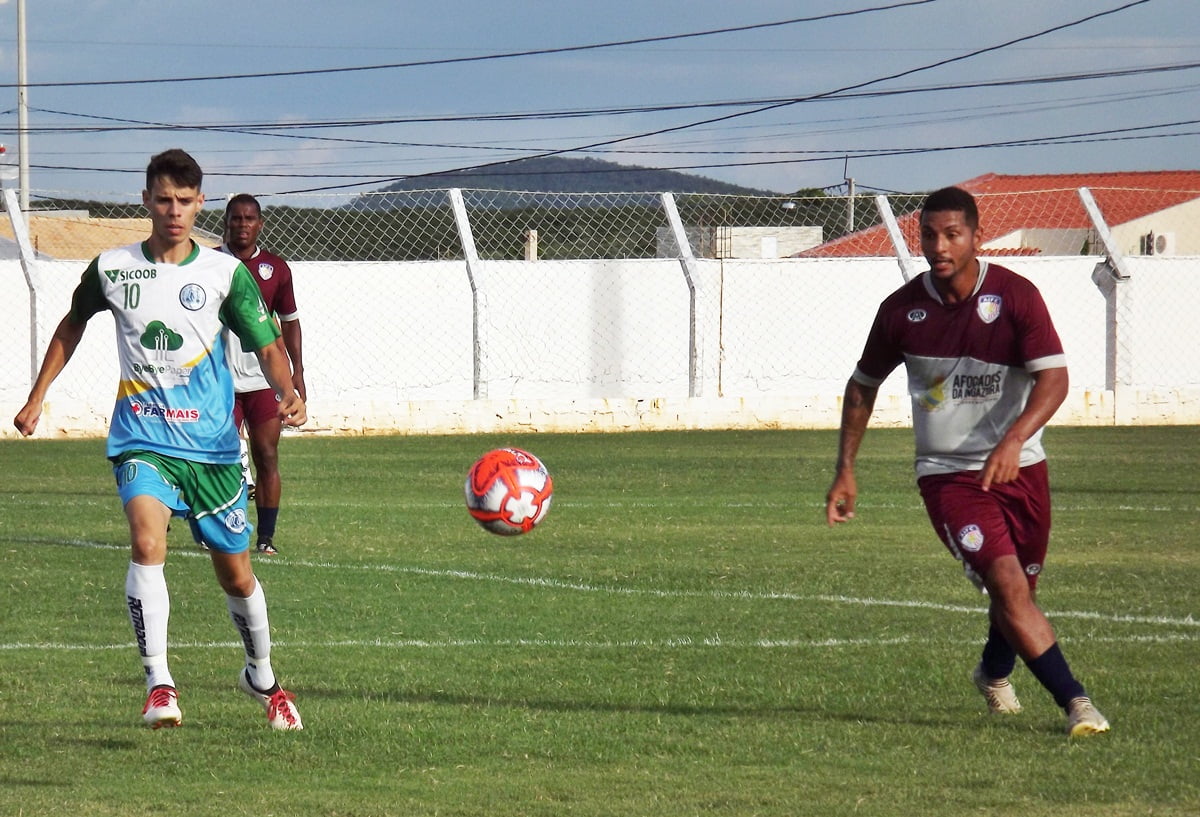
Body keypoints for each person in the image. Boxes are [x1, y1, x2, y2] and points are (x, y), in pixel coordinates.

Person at [13, 149, 304, 731]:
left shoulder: (225, 274)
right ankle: (159, 684)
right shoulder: (114, 268)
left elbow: (267, 344)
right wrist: (38, 394)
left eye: (186, 201)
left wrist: (288, 388)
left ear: (201, 204)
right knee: (148, 543)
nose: (175, 211)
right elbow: (73, 324)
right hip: (141, 437)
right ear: (146, 200)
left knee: (237, 575)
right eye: (164, 200)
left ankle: (262, 676)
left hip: (215, 447)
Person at [824, 186, 1109, 738]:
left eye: (952, 233)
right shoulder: (901, 311)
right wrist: (846, 469)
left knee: (1022, 590)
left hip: (1022, 468)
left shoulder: (1015, 296)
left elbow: (1054, 377)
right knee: (1006, 584)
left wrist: (1014, 439)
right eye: (928, 234)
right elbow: (861, 387)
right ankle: (1077, 703)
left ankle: (994, 672)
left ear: (976, 236)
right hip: (948, 475)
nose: (938, 245)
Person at [219, 193, 305, 556]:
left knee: (266, 455)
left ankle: (266, 538)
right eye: (235, 218)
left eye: (249, 218)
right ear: (226, 222)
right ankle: (223, 529)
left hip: (262, 381)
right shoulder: (208, 264)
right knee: (218, 456)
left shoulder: (277, 269)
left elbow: (290, 324)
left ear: (260, 224)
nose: (242, 224)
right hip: (218, 379)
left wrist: (297, 374)